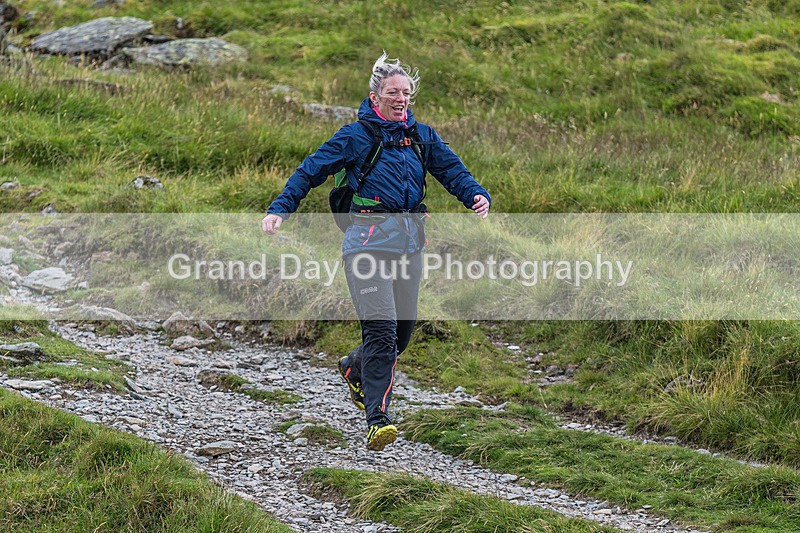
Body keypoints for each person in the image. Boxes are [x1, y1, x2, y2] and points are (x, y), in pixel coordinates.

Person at [262, 52, 490, 451]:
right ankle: (377, 419)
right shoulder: (355, 136)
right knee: (382, 332)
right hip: (366, 246)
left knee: (401, 334)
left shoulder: (422, 136)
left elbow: (452, 170)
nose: (401, 99)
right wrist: (281, 209)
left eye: (406, 93)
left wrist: (474, 194)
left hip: (410, 246)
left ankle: (353, 367)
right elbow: (309, 171)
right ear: (374, 97)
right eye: (392, 92)